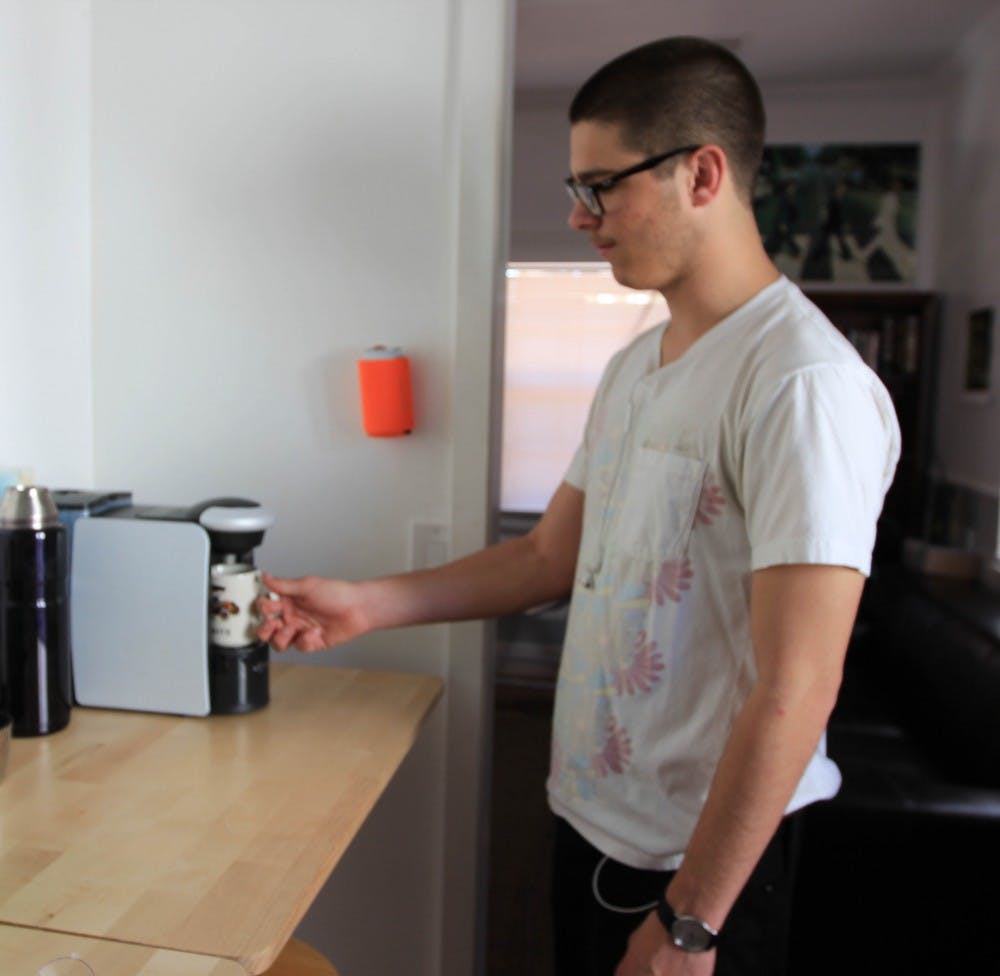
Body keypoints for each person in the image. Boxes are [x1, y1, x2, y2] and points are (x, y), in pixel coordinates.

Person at [258, 36, 901, 976]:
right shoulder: (635, 365)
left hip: (702, 867)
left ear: (702, 174)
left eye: (601, 187)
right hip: (594, 820)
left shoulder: (802, 385)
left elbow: (798, 687)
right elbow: (544, 558)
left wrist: (691, 923)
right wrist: (367, 604)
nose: (576, 215)